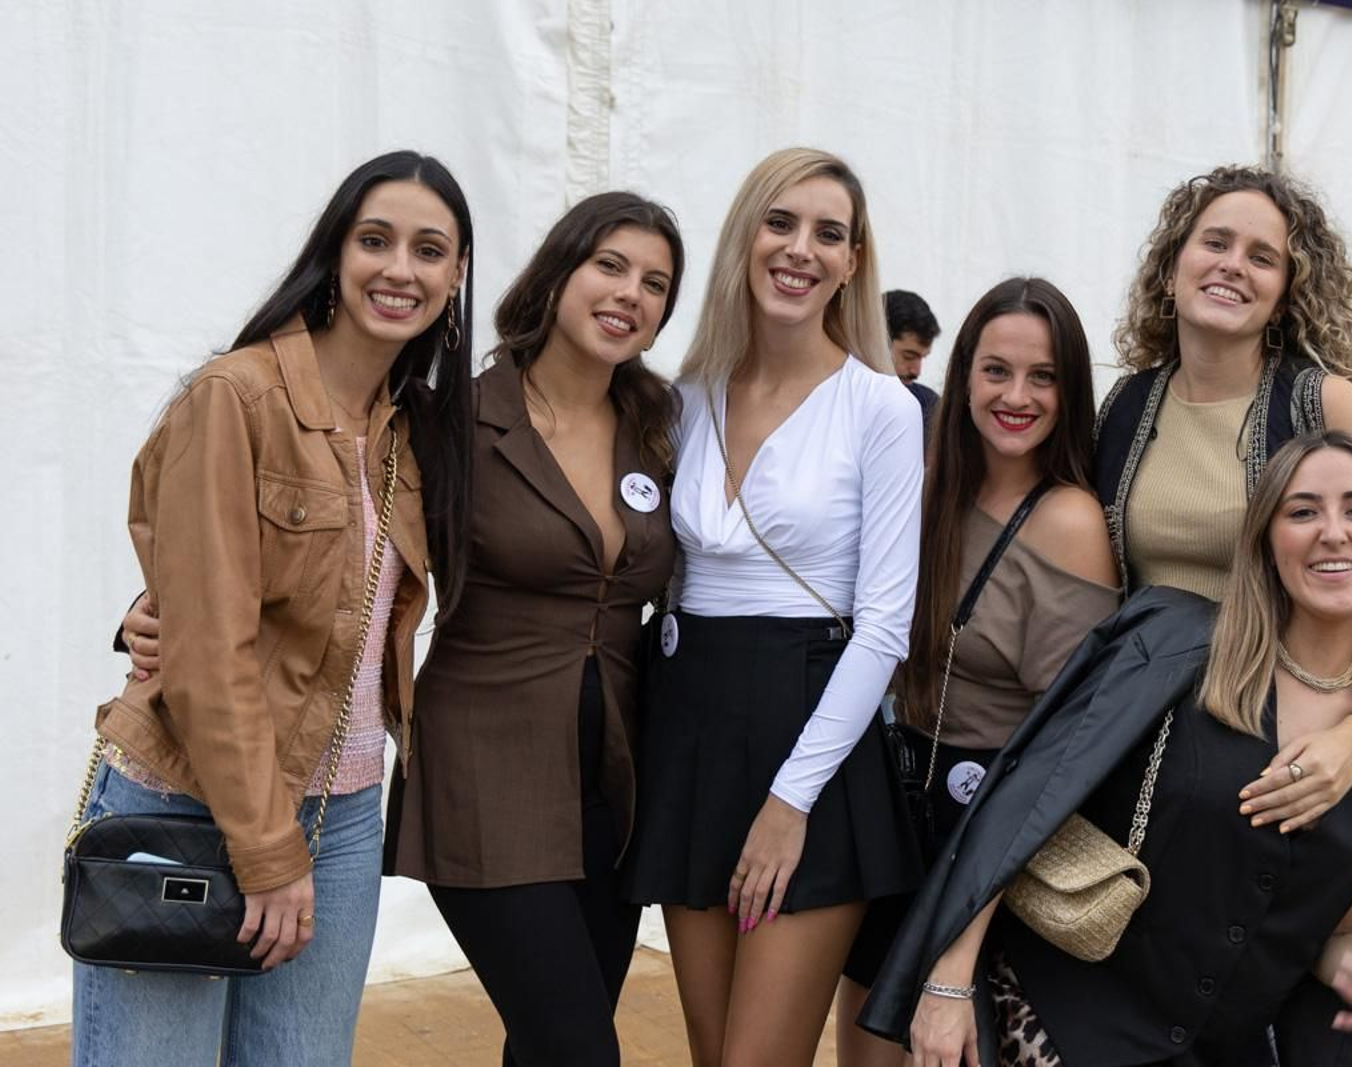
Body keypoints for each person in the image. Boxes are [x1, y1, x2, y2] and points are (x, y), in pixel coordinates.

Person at [862, 432, 1352, 1066]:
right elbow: (1022, 801)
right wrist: (948, 982)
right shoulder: (1169, 650)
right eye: (1303, 511)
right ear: (1268, 543)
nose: (1333, 532)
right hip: (1060, 1022)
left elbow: (1335, 928)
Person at [77, 150, 474, 1066]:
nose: (400, 269)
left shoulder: (412, 433)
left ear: (455, 278)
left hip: (341, 818)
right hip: (186, 795)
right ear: (335, 253)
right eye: (376, 240)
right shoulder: (238, 395)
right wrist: (266, 848)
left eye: (429, 249)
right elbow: (211, 643)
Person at [624, 147, 925, 1067]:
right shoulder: (682, 396)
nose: (799, 249)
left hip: (811, 739)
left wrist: (791, 798)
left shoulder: (881, 406)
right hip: (689, 726)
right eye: (780, 222)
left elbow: (884, 623)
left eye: (827, 233)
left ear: (852, 261)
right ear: (744, 237)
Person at [383, 191, 684, 1067]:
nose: (631, 292)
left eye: (656, 282)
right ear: (558, 274)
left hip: (617, 782)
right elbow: (351, 548)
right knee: (581, 1049)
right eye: (611, 266)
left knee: (548, 1043)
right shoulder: (449, 423)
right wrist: (156, 610)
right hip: (484, 768)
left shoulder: (660, 426)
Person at [1093, 164, 1352, 833]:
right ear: (1172, 264)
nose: (1233, 265)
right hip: (1153, 751)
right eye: (1215, 242)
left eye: (1262, 257)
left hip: (1286, 752)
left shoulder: (1325, 406)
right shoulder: (1125, 407)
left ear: (1285, 293)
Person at [835, 277, 1119, 1067]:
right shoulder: (928, 484)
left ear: (1071, 390)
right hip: (893, 808)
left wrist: (959, 956)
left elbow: (1053, 764)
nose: (1016, 395)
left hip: (987, 838)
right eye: (996, 370)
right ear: (961, 377)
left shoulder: (1069, 521)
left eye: (1044, 376)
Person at [884, 289, 942, 441]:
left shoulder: (930, 407)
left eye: (922, 358)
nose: (916, 371)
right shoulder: (838, 398)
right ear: (877, 341)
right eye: (909, 356)